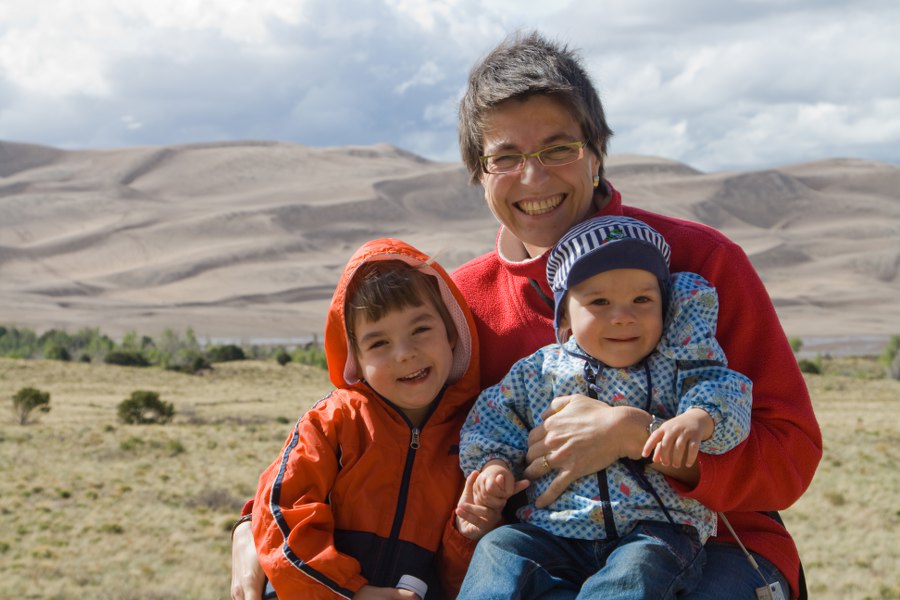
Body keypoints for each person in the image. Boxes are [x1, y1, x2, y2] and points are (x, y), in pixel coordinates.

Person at [232, 31, 821, 600]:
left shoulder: (701, 263)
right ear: (478, 174)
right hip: (539, 550)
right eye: (505, 156)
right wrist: (250, 522)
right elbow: (378, 431)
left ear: (596, 153)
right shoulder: (460, 306)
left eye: (558, 149)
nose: (534, 177)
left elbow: (789, 456)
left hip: (715, 543)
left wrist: (636, 436)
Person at [456, 215, 753, 598]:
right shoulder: (539, 371)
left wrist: (700, 419)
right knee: (500, 549)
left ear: (665, 305)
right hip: (552, 530)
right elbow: (492, 420)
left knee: (636, 571)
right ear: (564, 316)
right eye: (599, 301)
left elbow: (726, 390)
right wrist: (493, 466)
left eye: (642, 300)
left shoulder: (678, 363)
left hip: (654, 531)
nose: (623, 315)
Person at [250, 238, 500, 599]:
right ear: (355, 357)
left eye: (420, 329)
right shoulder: (331, 423)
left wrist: (469, 532)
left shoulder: (475, 436)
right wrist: (356, 593)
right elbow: (280, 516)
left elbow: (457, 580)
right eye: (379, 343)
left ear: (451, 332)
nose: (404, 354)